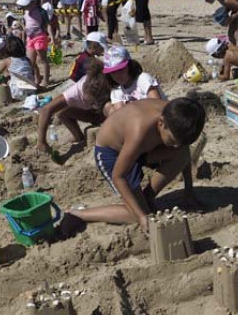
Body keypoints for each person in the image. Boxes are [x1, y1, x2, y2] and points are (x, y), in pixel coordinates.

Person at [63, 97, 206, 232]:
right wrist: (141, 216)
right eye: (172, 140)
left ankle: (148, 197)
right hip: (112, 152)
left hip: (140, 149)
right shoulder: (140, 130)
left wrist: (189, 191)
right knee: (138, 215)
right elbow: (118, 176)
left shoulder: (177, 118)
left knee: (180, 153)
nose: (175, 146)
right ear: (161, 123)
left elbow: (183, 153)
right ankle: (79, 214)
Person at [37, 58, 114, 152]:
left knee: (109, 108)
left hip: (108, 110)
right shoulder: (74, 92)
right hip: (90, 113)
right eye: (90, 101)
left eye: (95, 102)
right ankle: (78, 136)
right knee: (61, 112)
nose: (93, 104)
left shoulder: (109, 83)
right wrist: (41, 142)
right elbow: (46, 109)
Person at [102, 45, 165, 116]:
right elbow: (119, 114)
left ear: (129, 66)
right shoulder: (117, 90)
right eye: (113, 72)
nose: (117, 75)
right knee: (108, 108)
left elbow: (156, 103)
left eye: (121, 70)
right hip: (136, 119)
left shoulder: (143, 79)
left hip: (156, 116)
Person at [17, 0, 51, 87]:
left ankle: (46, 79)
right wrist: (23, 39)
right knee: (30, 61)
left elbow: (48, 25)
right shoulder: (25, 12)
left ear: (34, 2)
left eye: (26, 4)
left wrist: (51, 37)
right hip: (30, 38)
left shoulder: (41, 11)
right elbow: (25, 27)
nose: (24, 6)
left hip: (40, 36)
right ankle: (37, 77)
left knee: (42, 59)